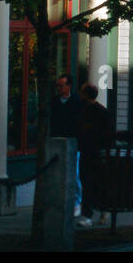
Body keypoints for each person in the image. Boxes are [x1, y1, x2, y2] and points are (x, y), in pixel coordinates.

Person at [77, 83, 113, 227]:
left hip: (89, 151)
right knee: (96, 183)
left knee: (89, 183)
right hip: (97, 152)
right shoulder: (102, 111)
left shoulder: (84, 111)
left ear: (85, 94)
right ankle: (103, 210)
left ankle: (88, 215)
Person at [51, 75, 83, 220]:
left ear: (69, 86)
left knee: (75, 174)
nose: (59, 88)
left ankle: (76, 202)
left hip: (73, 142)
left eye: (61, 85)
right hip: (57, 141)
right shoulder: (54, 102)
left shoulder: (76, 102)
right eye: (58, 86)